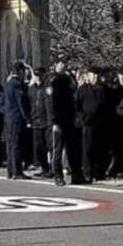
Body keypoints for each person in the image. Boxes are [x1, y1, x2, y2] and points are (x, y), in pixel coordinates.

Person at [46, 56, 83, 186]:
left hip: (70, 117)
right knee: (58, 149)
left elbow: (73, 98)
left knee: (72, 148)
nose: (64, 65)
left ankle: (76, 174)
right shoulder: (53, 80)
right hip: (58, 119)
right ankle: (57, 175)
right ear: (56, 64)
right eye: (61, 63)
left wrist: (76, 115)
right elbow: (51, 103)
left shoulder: (68, 79)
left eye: (65, 62)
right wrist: (54, 122)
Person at [75, 67, 109, 183]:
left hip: (101, 123)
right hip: (87, 123)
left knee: (100, 148)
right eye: (92, 75)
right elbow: (76, 105)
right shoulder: (82, 90)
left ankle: (99, 172)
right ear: (88, 76)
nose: (95, 78)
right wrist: (82, 117)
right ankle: (87, 173)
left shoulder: (104, 90)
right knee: (87, 149)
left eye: (96, 75)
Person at [2, 63, 32, 180]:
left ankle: (10, 170)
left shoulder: (8, 84)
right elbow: (21, 103)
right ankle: (17, 171)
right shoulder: (17, 85)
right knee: (16, 145)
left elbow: (3, 103)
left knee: (10, 145)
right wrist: (27, 118)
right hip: (16, 118)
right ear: (19, 72)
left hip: (9, 118)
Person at [27, 68, 51, 176]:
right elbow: (29, 104)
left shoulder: (48, 88)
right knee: (38, 146)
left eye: (40, 75)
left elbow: (50, 104)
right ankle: (44, 167)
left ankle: (51, 168)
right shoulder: (31, 89)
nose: (38, 78)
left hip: (46, 121)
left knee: (49, 146)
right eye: (36, 76)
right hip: (35, 121)